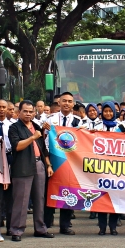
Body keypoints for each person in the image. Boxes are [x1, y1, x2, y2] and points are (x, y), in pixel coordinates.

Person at [8, 101, 55, 241]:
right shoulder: (14, 128)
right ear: (19, 112)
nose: (28, 114)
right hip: (22, 166)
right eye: (25, 111)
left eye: (31, 111)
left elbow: (42, 148)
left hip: (39, 164)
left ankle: (40, 229)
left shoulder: (36, 126)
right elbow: (17, 146)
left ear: (34, 113)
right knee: (21, 200)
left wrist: (48, 165)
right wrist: (33, 137)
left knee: (40, 198)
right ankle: (16, 230)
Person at [41, 91, 80, 234]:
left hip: (70, 161)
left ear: (73, 104)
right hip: (52, 158)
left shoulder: (78, 122)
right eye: (64, 101)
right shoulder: (50, 120)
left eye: (70, 101)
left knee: (68, 191)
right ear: (59, 103)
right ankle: (46, 222)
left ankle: (65, 225)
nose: (67, 104)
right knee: (49, 190)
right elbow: (43, 139)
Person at [90, 102, 125, 235]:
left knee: (115, 198)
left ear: (114, 112)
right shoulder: (96, 126)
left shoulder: (121, 126)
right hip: (100, 167)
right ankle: (102, 227)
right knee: (101, 198)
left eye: (110, 111)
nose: (108, 114)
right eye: (105, 111)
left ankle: (113, 227)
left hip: (116, 168)